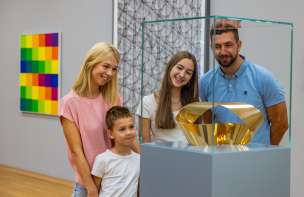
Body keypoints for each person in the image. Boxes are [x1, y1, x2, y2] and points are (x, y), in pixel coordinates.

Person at [60, 42, 138, 197]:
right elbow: (76, 151)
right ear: (91, 63)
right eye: (106, 66)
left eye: (114, 69)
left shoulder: (114, 98)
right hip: (88, 183)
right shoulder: (69, 103)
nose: (110, 73)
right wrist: (91, 188)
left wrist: (150, 161)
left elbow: (126, 137)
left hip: (116, 180)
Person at [199, 20, 288, 145]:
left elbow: (281, 124)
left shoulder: (263, 77)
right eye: (217, 46)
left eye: (228, 45)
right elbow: (208, 123)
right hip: (221, 160)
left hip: (255, 161)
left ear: (239, 45)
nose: (223, 51)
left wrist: (264, 150)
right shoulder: (205, 82)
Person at [136, 51, 199, 143]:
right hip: (160, 156)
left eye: (188, 73)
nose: (182, 74)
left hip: (190, 156)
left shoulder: (195, 102)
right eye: (179, 68)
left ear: (191, 78)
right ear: (170, 67)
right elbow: (145, 142)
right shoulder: (147, 102)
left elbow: (198, 139)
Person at [91, 106, 140, 197]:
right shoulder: (102, 159)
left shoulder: (139, 159)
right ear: (110, 134)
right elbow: (93, 192)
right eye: (122, 129)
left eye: (131, 127)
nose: (128, 132)